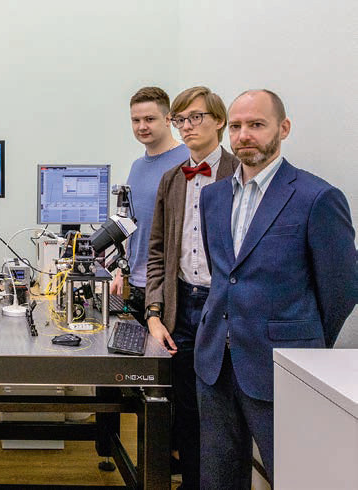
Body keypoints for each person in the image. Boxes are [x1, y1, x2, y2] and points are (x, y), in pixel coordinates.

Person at [197, 89, 356, 488]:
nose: (244, 135)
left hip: (280, 366)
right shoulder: (213, 196)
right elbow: (224, 275)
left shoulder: (317, 197)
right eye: (236, 126)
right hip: (216, 363)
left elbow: (342, 288)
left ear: (283, 128)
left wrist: (301, 338)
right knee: (218, 478)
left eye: (256, 125)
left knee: (297, 477)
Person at [145, 86, 238, 489]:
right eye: (180, 119)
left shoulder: (241, 174)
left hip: (223, 307)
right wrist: (153, 313)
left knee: (222, 409)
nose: (186, 126)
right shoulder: (171, 179)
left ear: (219, 121)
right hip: (181, 306)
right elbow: (157, 252)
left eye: (195, 117)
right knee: (184, 407)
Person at [109, 86, 189, 325]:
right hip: (135, 283)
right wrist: (121, 271)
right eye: (136, 120)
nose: (142, 126)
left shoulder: (187, 161)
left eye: (149, 119)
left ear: (168, 119)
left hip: (167, 287)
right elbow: (134, 224)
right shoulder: (137, 167)